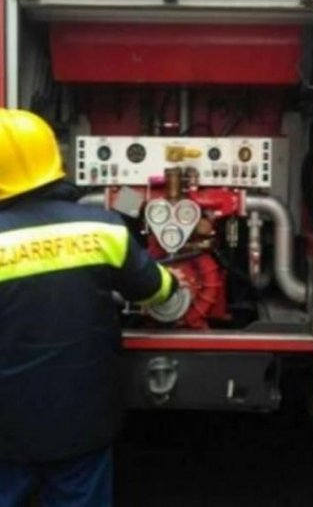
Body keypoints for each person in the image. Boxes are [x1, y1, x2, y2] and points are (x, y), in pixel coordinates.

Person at [0, 109, 184, 507]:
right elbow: (156, 290)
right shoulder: (100, 228)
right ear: (55, 160)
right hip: (81, 424)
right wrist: (176, 283)